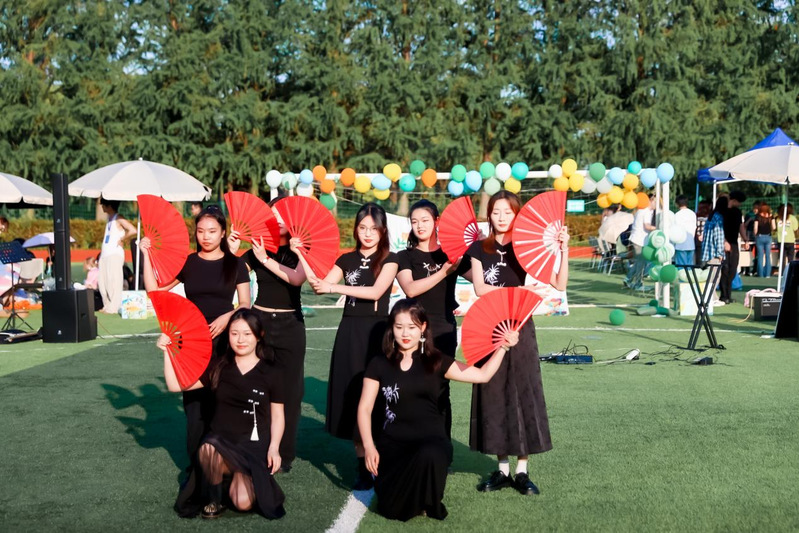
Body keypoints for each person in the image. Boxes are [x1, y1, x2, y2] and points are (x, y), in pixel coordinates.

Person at [357, 299, 519, 521]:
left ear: (423, 327)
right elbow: (365, 408)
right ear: (391, 328)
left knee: (430, 454)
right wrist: (369, 446)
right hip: (393, 445)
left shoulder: (436, 361)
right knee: (391, 510)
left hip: (430, 442)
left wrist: (503, 347)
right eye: (399, 326)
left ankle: (428, 498)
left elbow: (482, 375)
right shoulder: (378, 364)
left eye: (412, 327)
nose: (405, 333)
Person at [141, 204, 251, 513]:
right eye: (201, 231)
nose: (206, 236)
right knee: (194, 416)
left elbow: (246, 304)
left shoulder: (235, 264)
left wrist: (228, 317)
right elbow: (155, 291)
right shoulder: (188, 263)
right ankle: (199, 480)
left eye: (212, 231)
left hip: (225, 347)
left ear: (223, 232)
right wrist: (147, 254)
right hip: (189, 344)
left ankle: (221, 486)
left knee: (221, 413)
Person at [465, 190, 569, 496]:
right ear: (489, 215)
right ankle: (502, 469)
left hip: (521, 326)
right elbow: (480, 288)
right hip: (490, 326)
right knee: (493, 392)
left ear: (516, 215)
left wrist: (562, 250)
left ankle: (522, 471)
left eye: (507, 212)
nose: (501, 217)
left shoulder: (526, 247)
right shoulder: (478, 247)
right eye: (496, 212)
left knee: (524, 391)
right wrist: (516, 294)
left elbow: (559, 283)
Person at [303, 202, 399, 490]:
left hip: (378, 333)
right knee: (355, 392)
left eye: (373, 229)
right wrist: (300, 254)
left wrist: (335, 288)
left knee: (380, 397)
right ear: (356, 230)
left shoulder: (391, 259)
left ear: (383, 231)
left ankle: (386, 458)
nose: (367, 233)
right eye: (362, 228)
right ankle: (362, 467)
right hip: (349, 332)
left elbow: (376, 292)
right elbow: (319, 285)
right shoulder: (345, 259)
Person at [160, 309, 286, 520]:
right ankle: (214, 497)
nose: (240, 340)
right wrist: (167, 351)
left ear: (259, 335)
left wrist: (274, 448)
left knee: (243, 503)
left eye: (247, 334)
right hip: (220, 441)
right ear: (228, 336)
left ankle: (238, 477)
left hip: (252, 446)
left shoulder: (272, 371)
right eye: (234, 333)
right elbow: (174, 386)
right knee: (208, 447)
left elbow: (278, 415)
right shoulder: (219, 366)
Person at [228, 202, 307, 473]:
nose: (279, 220)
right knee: (257, 388)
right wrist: (231, 250)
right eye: (273, 216)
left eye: (283, 215)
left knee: (291, 392)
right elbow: (231, 274)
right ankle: (258, 447)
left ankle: (284, 454)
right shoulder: (258, 247)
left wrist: (265, 260)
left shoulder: (300, 247)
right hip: (260, 323)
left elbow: (296, 279)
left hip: (291, 325)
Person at [395, 200, 470, 461]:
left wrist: (479, 248)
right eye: (414, 221)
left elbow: (482, 278)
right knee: (411, 387)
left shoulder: (451, 253)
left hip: (444, 329)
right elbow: (410, 289)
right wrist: (445, 271)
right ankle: (411, 448)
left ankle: (442, 452)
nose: (419, 226)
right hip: (413, 330)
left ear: (437, 221)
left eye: (425, 220)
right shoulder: (405, 256)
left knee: (440, 390)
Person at [98, 198, 136, 314]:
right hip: (105, 254)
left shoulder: (118, 217)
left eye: (103, 204)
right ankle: (107, 305)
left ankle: (114, 307)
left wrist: (123, 239)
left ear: (109, 205)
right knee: (103, 282)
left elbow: (133, 230)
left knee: (114, 281)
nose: (102, 207)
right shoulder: (109, 219)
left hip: (114, 253)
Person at [719, 191, 748, 304]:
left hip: (734, 243)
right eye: (739, 202)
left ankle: (728, 294)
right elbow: (719, 228)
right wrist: (724, 242)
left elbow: (741, 226)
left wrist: (745, 239)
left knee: (733, 269)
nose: (739, 204)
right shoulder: (722, 211)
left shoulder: (737, 212)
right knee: (725, 269)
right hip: (724, 243)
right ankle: (723, 295)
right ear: (734, 200)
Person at [623, 193, 655, 290]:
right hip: (639, 240)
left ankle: (628, 279)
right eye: (656, 202)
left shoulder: (640, 211)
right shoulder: (646, 212)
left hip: (637, 239)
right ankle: (637, 284)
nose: (657, 204)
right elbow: (647, 226)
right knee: (641, 263)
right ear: (651, 201)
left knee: (639, 262)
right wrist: (659, 228)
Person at [701, 196, 727, 306]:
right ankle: (712, 298)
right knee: (715, 277)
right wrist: (720, 253)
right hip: (714, 253)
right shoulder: (719, 217)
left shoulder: (711, 216)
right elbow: (719, 236)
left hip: (707, 251)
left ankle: (711, 297)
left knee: (711, 276)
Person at [673, 195, 697, 266]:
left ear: (677, 204)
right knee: (689, 267)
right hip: (691, 244)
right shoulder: (692, 214)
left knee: (681, 267)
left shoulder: (677, 215)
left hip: (680, 245)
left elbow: (674, 230)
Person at [774, 203, 798, 272]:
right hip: (790, 240)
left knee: (782, 258)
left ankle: (782, 272)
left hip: (781, 240)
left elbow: (775, 228)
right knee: (791, 258)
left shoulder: (777, 218)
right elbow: (795, 229)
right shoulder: (792, 218)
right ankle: (790, 272)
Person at [753, 204, 774, 278]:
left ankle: (761, 274)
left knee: (760, 256)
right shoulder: (770, 216)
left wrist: (755, 234)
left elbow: (755, 228)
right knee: (768, 256)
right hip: (768, 236)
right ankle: (768, 274)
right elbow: (774, 227)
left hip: (760, 236)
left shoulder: (758, 216)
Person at [744, 201, 762, 275]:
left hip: (757, 235)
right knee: (748, 252)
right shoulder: (748, 215)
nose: (755, 210)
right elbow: (744, 225)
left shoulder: (760, 216)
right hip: (749, 234)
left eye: (757, 208)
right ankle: (747, 270)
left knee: (757, 254)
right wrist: (749, 220)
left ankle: (755, 270)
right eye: (754, 208)